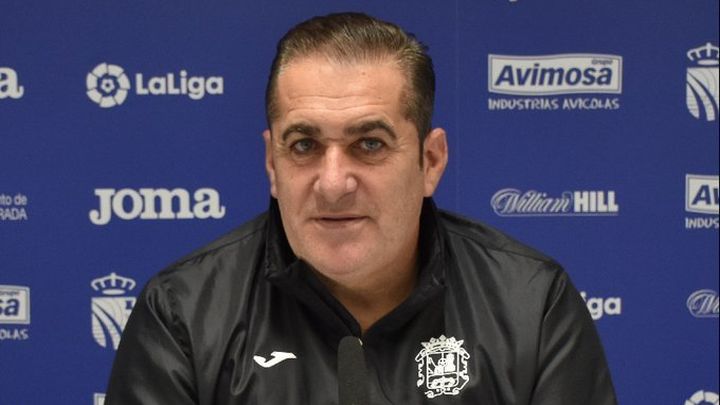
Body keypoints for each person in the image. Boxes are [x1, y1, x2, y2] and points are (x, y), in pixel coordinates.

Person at [106, 12, 617, 404]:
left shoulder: (532, 305)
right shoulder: (183, 314)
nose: (333, 184)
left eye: (369, 144)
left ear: (430, 161)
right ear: (271, 164)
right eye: (304, 145)